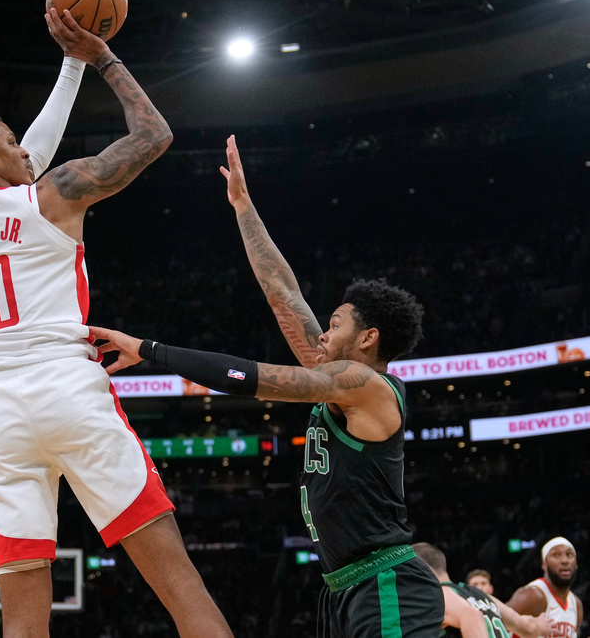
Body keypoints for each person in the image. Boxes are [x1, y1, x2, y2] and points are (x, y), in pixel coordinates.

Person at [0, 9, 233, 638]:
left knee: (21, 623)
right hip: (67, 393)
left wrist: (66, 66)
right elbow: (155, 136)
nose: (28, 150)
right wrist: (100, 58)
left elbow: (24, 164)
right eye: (13, 143)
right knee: (182, 589)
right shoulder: (55, 195)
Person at [90, 134, 443, 637]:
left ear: (368, 338)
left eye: (336, 323)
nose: (323, 330)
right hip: (343, 585)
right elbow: (283, 292)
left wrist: (149, 349)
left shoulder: (361, 382)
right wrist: (243, 206)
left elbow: (245, 377)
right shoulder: (335, 377)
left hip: (383, 579)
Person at [412, 543, 554, 638]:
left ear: (423, 569)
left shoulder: (440, 596)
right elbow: (526, 627)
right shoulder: (483, 595)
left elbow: (473, 617)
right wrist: (540, 626)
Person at [507, 537, 584, 638]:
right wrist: (529, 627)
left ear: (576, 564)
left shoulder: (576, 605)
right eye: (556, 555)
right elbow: (492, 621)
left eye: (569, 555)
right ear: (544, 564)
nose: (565, 561)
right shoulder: (533, 596)